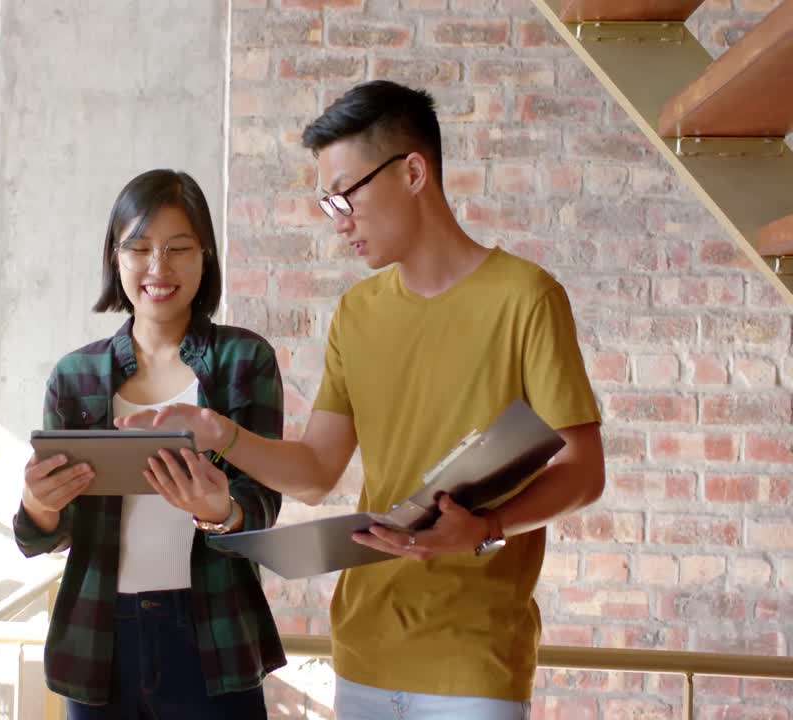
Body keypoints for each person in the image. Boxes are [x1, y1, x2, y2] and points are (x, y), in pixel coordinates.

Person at [118, 81, 606, 719]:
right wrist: (219, 432)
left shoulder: (527, 299)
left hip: (475, 653)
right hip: (365, 645)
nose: (339, 219)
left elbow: (584, 469)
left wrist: (485, 529)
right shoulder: (357, 312)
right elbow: (318, 472)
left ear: (412, 172)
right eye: (328, 202)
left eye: (346, 194)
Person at [13, 169, 287, 719]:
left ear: (205, 256)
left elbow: (263, 503)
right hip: (99, 636)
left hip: (213, 630)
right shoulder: (75, 377)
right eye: (139, 248)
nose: (158, 268)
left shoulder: (243, 361)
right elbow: (49, 536)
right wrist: (39, 505)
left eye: (178, 249)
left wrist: (220, 510)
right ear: (115, 257)